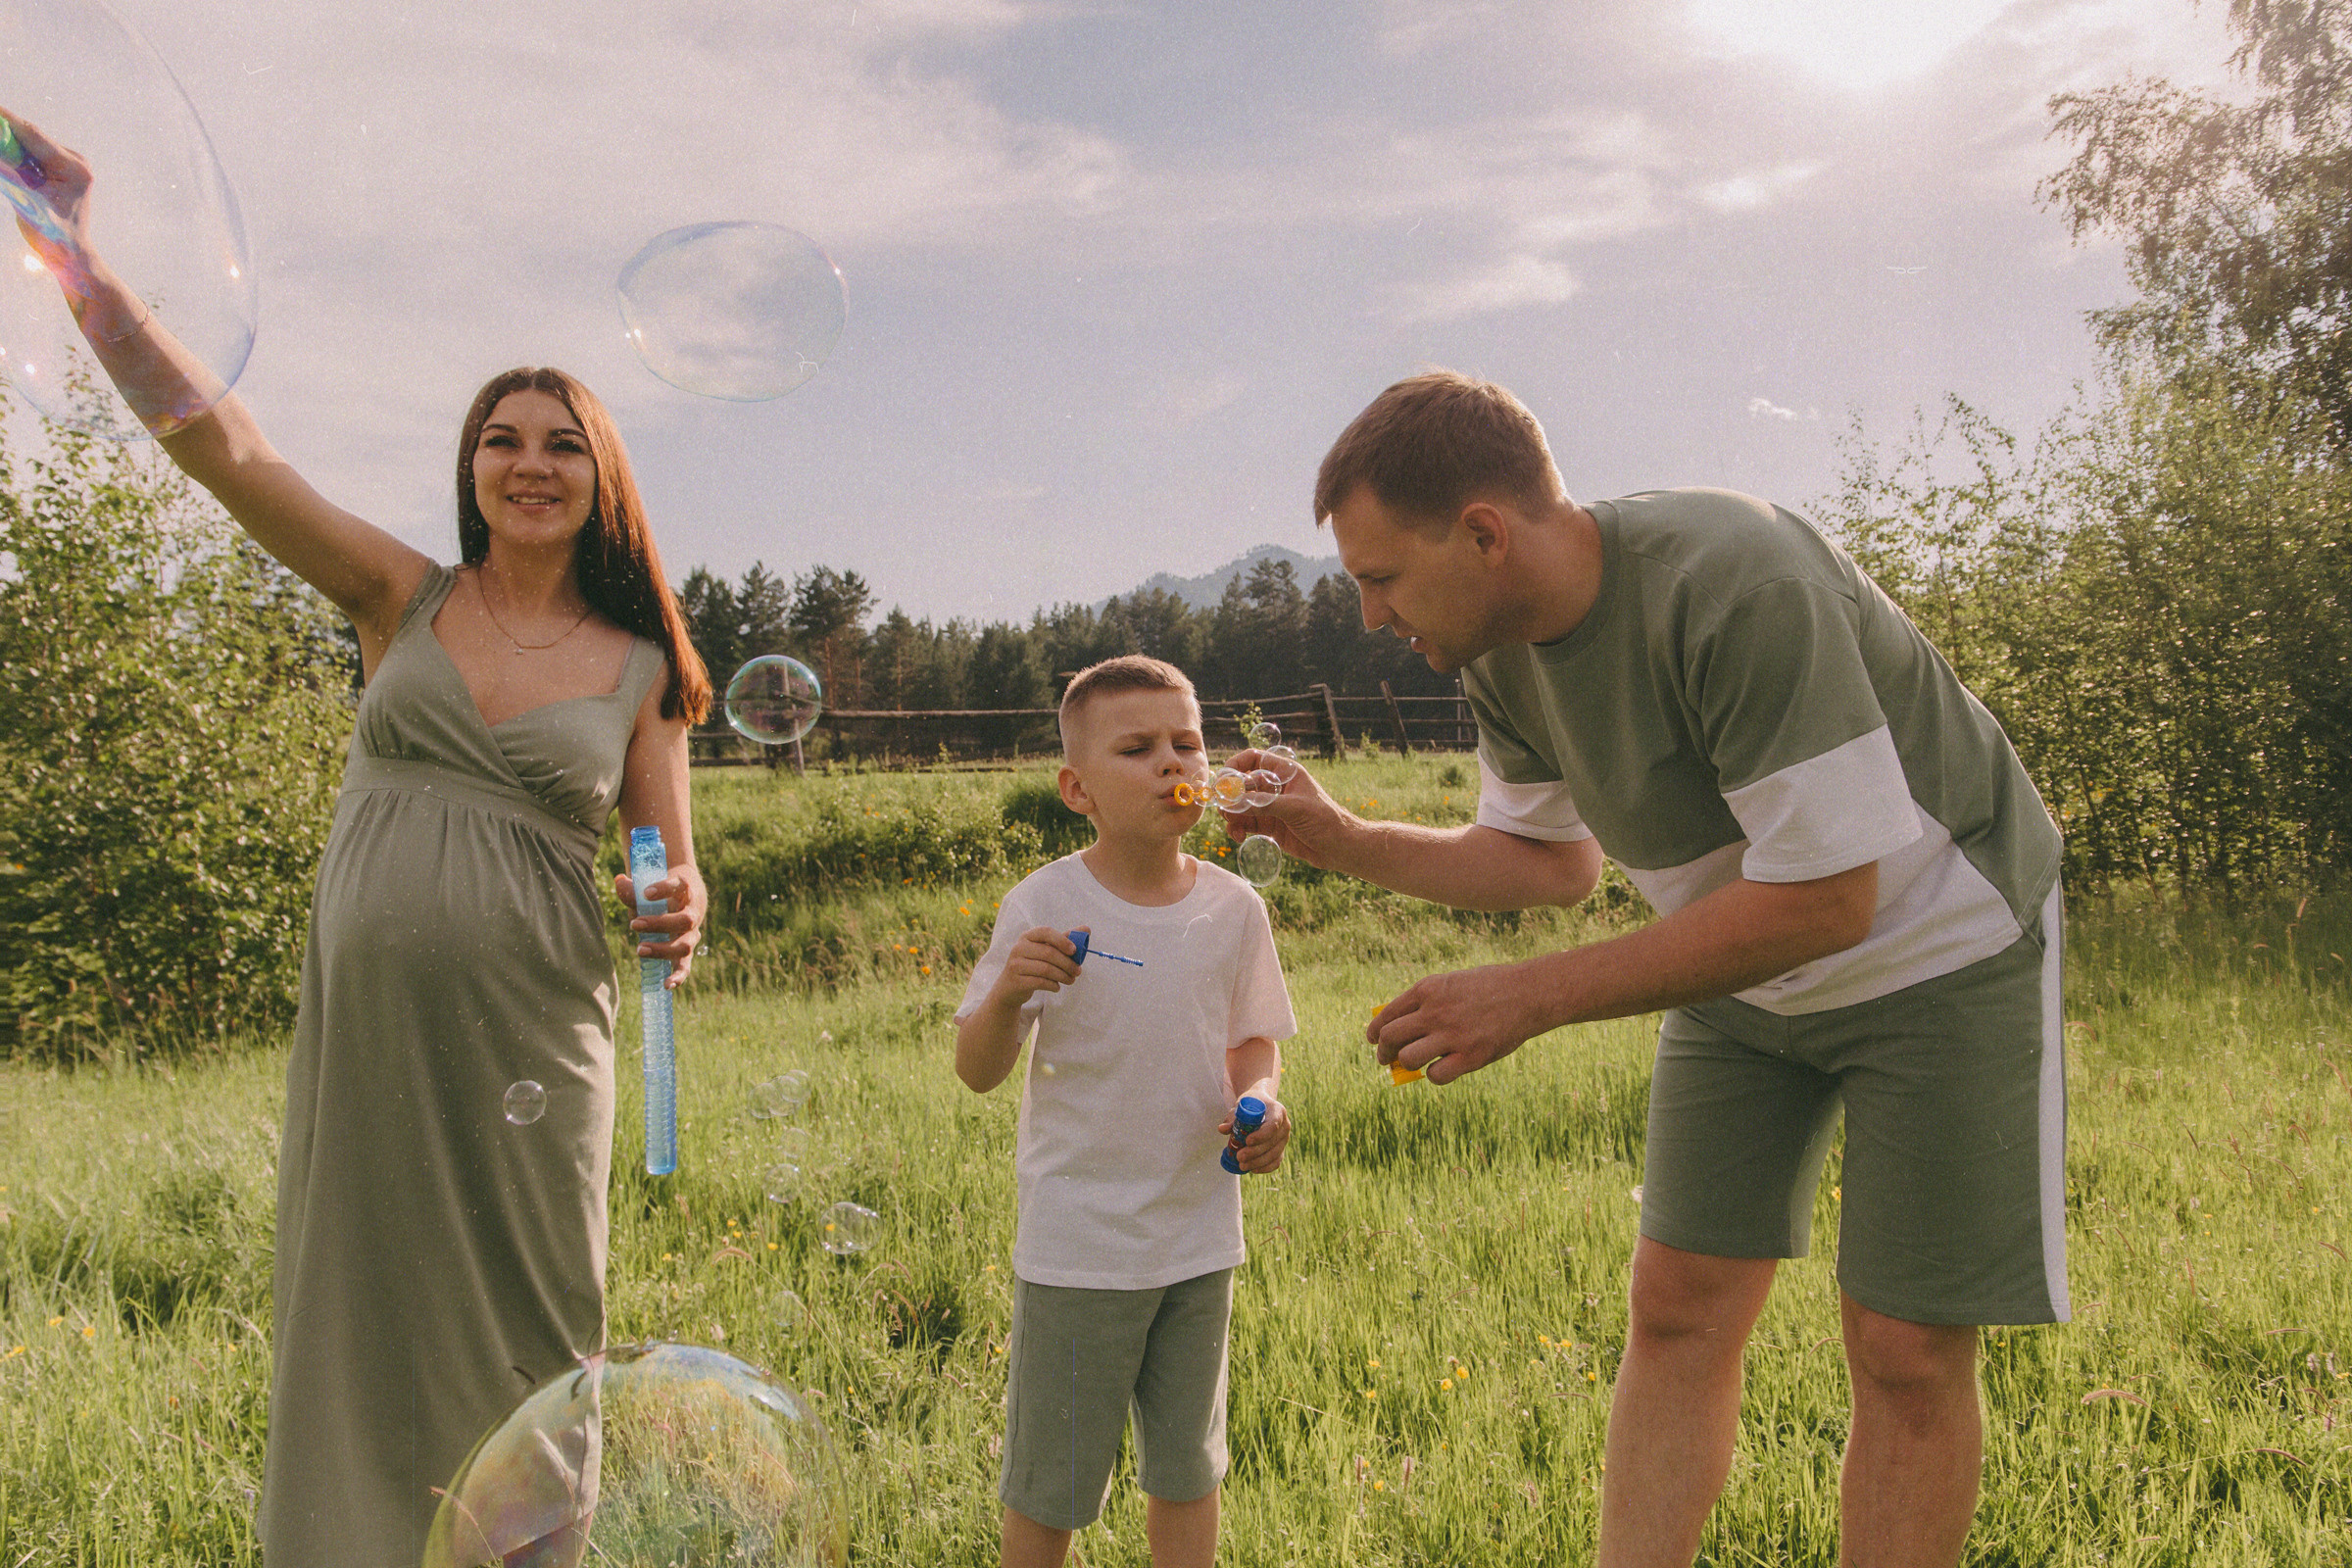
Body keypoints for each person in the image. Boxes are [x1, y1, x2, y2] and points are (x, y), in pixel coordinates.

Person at [5, 115, 712, 1565]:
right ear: (469, 472)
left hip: (536, 1045)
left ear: (603, 476)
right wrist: (73, 249)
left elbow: (670, 875)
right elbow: (225, 444)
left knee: (529, 1340)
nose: (530, 465)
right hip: (376, 1045)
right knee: (359, 1325)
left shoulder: (647, 667)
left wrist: (682, 910)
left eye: (562, 445)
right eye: (501, 443)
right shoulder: (400, 597)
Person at [1224, 370, 2066, 1568]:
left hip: (1944, 948)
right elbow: (1547, 860)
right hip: (1742, 965)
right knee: (1676, 1307)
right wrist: (1343, 837)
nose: (1368, 614)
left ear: (1483, 534)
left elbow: (1831, 899)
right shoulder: (1497, 642)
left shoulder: (1737, 578)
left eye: (1381, 577)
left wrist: (1535, 993)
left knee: (1903, 1346)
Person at [955, 655, 1298, 1568]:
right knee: (1052, 1482)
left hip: (1198, 1240)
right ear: (1077, 788)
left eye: (1187, 743)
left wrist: (1261, 1103)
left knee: (1189, 1470)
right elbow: (978, 1070)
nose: (1172, 764)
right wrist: (1002, 1000)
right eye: (1138, 747)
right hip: (1081, 1248)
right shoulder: (1045, 905)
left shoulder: (1235, 908)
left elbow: (1252, 1045)